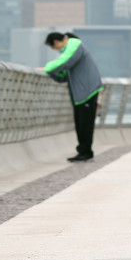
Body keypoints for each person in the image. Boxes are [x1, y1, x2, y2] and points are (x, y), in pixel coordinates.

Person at [43, 31, 103, 162]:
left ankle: (86, 152)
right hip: (80, 93)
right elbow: (63, 75)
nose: (55, 50)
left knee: (85, 124)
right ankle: (83, 151)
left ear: (56, 42)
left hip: (87, 91)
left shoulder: (74, 44)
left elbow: (65, 61)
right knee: (80, 124)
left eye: (52, 47)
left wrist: (47, 68)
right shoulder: (69, 50)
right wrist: (52, 73)